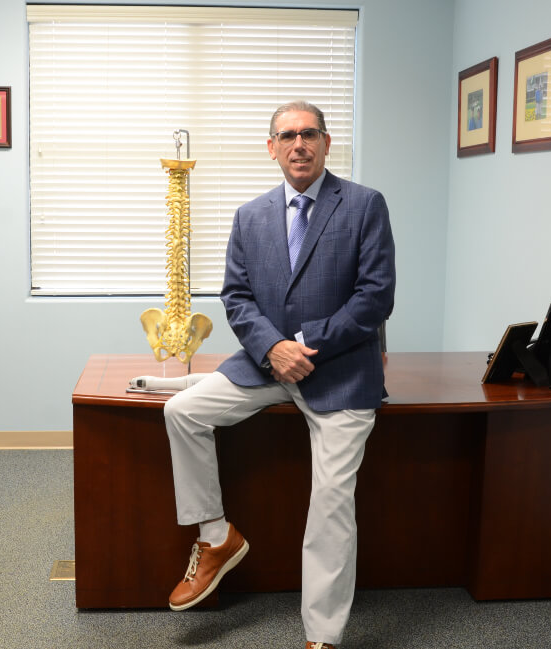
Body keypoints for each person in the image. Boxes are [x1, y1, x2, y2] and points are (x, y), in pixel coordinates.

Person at [163, 100, 396, 649]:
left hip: (340, 372)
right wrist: (273, 349)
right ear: (271, 147)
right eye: (287, 135)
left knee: (331, 502)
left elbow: (375, 298)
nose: (299, 144)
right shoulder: (251, 216)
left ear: (326, 142)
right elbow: (237, 298)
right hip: (266, 364)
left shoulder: (363, 205)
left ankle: (323, 636)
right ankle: (217, 538)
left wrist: (305, 345)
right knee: (182, 411)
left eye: (309, 133)